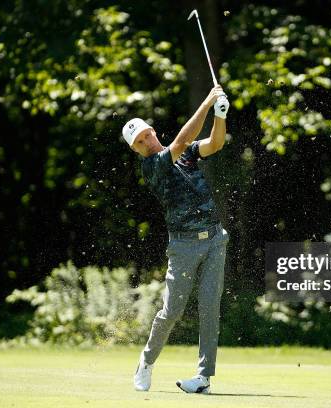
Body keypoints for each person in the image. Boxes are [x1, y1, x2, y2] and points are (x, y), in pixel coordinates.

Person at [122, 85, 230, 394]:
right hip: (183, 246)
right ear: (137, 150)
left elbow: (215, 144)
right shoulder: (153, 166)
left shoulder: (185, 156)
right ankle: (146, 362)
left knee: (210, 309)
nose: (145, 142)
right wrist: (208, 101)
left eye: (146, 135)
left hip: (214, 240)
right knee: (172, 311)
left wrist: (219, 117)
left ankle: (204, 377)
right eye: (139, 142)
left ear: (152, 131)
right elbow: (182, 140)